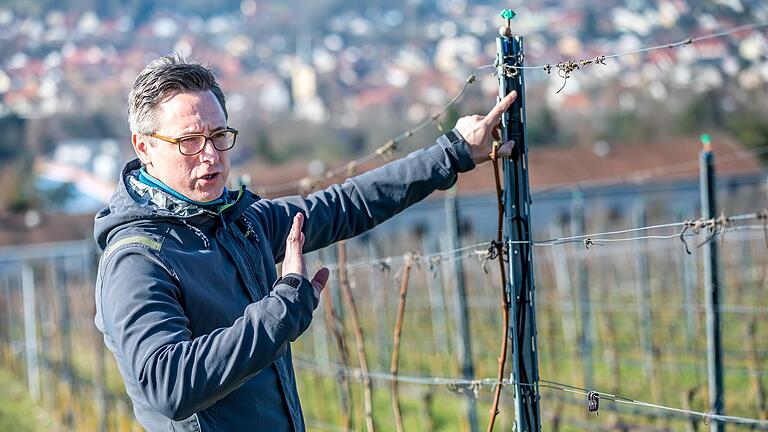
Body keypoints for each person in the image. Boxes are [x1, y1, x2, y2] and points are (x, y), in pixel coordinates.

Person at [94, 53, 516, 431]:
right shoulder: (137, 258)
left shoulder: (238, 222)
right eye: (189, 141)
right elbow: (169, 388)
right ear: (144, 148)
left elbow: (342, 206)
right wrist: (283, 309)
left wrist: (451, 154)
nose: (210, 155)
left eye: (220, 136)